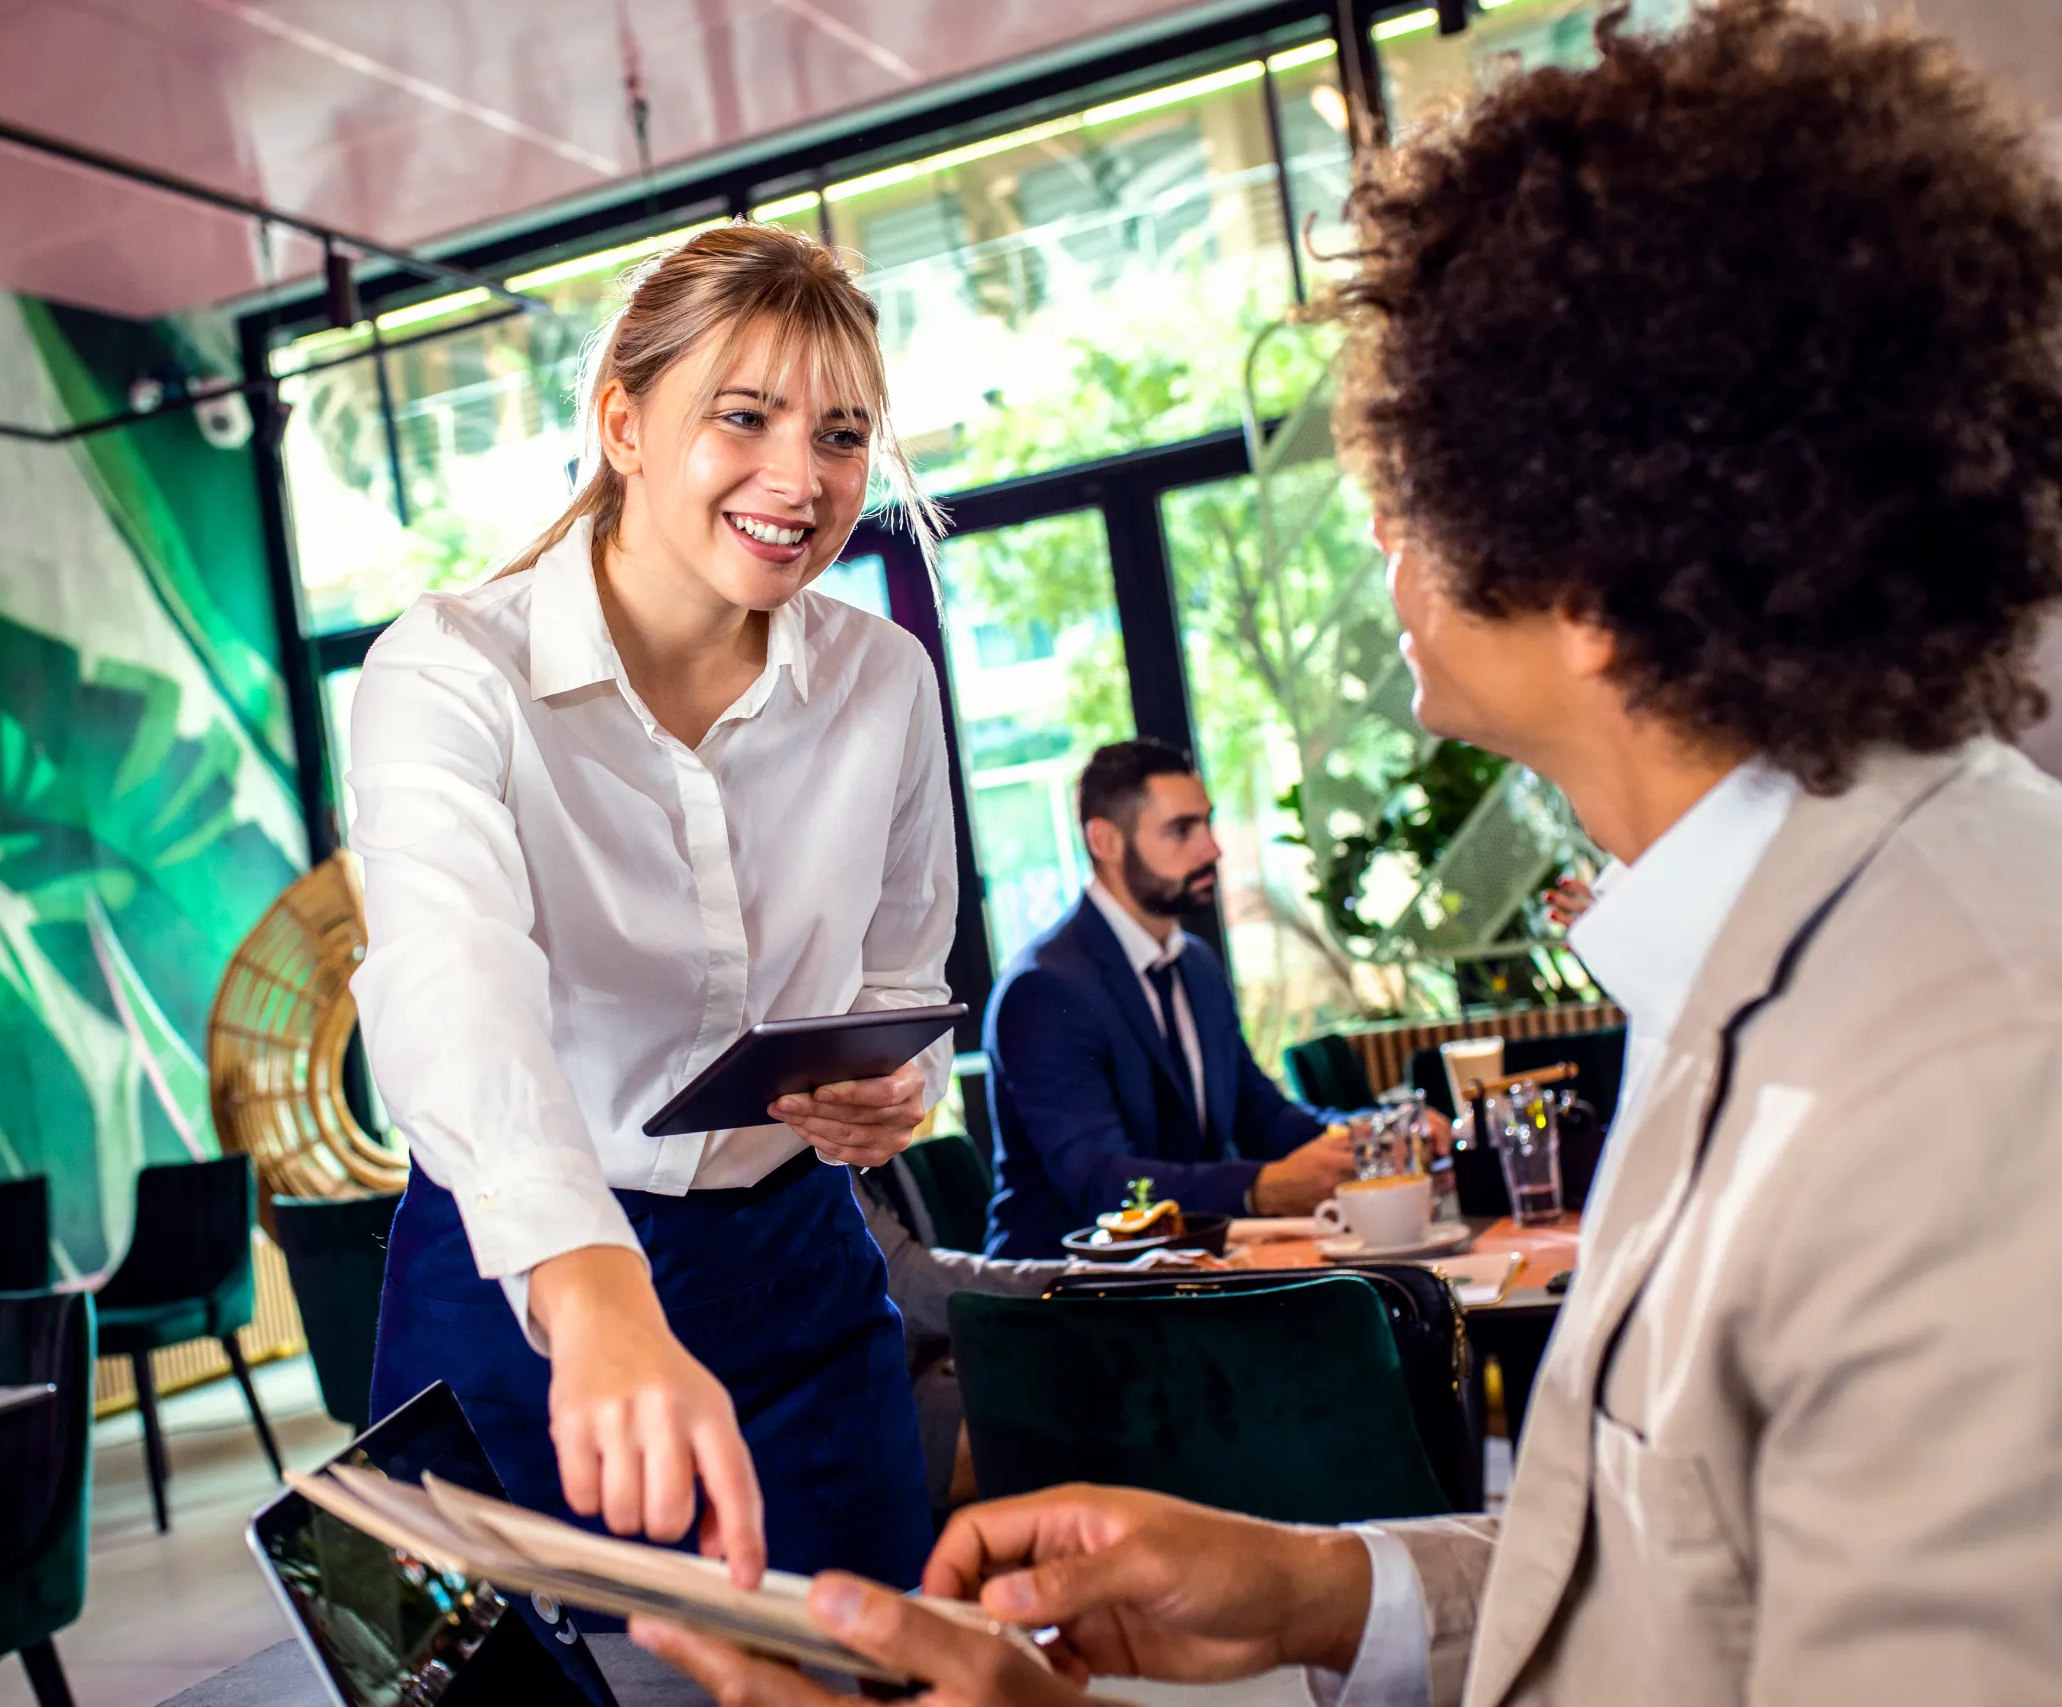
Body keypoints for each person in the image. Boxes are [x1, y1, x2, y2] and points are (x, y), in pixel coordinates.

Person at [630, 1, 2062, 1700]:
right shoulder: (1797, 926)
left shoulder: (1965, 1081)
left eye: (1420, 468)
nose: (1380, 525)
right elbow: (1680, 1551)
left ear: (1595, 574)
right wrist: (1325, 1590)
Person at [345, 223, 959, 1591]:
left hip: (795, 1266)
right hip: (515, 1275)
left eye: (842, 436)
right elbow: (450, 987)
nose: (800, 479)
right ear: (623, 420)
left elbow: (898, 975)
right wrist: (592, 1286)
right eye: (744, 417)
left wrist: (887, 1082)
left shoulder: (885, 680)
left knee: (859, 1670)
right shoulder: (449, 670)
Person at [981, 740, 1373, 1257]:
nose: (1212, 848)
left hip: (1184, 1272)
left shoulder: (1196, 964)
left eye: (1207, 824)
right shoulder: (1044, 988)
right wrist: (1261, 1188)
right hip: (1065, 1294)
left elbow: (1263, 1118)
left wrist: (1369, 1137)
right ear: (1105, 841)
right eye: (1181, 830)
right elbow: (1101, 1183)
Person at [852, 1164, 1064, 1512]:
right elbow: (904, 1281)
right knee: (1096, 1414)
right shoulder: (795, 1144)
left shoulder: (868, 1154)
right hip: (873, 1398)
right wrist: (1073, 1280)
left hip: (921, 1358)